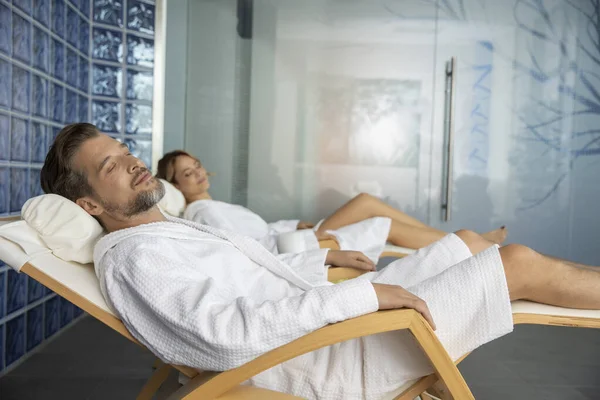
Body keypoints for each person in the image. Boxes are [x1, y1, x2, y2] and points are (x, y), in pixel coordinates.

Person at [41, 123, 600, 400]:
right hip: (330, 358)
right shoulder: (135, 259)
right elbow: (227, 336)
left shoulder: (162, 232)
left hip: (335, 323)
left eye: (125, 151)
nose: (135, 163)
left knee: (476, 245)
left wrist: (319, 258)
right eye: (112, 166)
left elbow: (255, 285)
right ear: (89, 204)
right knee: (515, 263)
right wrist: (363, 294)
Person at [156, 150, 507, 259]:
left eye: (197, 165)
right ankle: (467, 242)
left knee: (377, 212)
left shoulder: (214, 205)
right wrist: (299, 233)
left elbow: (261, 230)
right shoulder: (202, 212)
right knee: (369, 204)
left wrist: (295, 225)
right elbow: (248, 247)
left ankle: (465, 240)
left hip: (296, 237)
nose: (198, 173)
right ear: (175, 185)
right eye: (188, 173)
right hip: (295, 251)